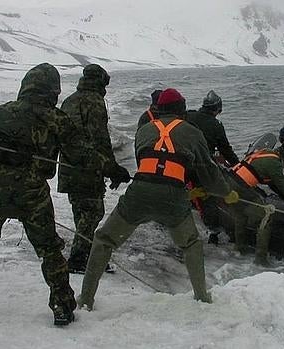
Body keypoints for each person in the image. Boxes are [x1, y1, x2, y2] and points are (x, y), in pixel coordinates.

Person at [0, 63, 99, 326]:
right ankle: (61, 305)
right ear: (53, 90)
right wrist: (109, 167)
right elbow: (80, 154)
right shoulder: (57, 119)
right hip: (33, 197)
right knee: (49, 250)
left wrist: (2, 147)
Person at [77, 88, 238, 309]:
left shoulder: (144, 130)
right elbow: (208, 172)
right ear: (182, 110)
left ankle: (85, 300)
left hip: (139, 193)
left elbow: (148, 165)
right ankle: (202, 298)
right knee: (191, 244)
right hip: (173, 197)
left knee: (104, 240)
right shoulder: (192, 132)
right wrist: (226, 193)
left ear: (159, 109)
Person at [58, 64, 131, 274]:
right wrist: (113, 169)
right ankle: (79, 260)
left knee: (81, 212)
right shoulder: (95, 102)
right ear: (101, 81)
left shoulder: (69, 100)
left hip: (68, 167)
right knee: (93, 212)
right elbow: (100, 140)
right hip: (88, 169)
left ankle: (84, 254)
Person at [215, 133, 284, 266]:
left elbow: (272, 183)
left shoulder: (265, 153)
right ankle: (261, 260)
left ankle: (239, 250)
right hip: (241, 188)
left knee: (241, 216)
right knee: (265, 217)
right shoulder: (274, 163)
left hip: (229, 182)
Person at [185, 90, 239, 167]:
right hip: (203, 162)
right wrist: (237, 164)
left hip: (184, 157)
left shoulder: (188, 116)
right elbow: (225, 149)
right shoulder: (216, 125)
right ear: (217, 110)